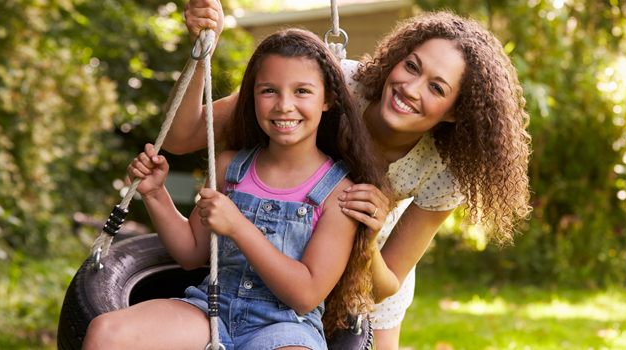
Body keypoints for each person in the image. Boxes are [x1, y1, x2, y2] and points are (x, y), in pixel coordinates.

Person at [170, 2, 532, 349]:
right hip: (274, 237)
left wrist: (368, 238)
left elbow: (385, 283)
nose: (410, 87)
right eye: (411, 66)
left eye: (437, 88)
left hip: (366, 256)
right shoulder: (334, 84)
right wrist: (202, 54)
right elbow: (179, 137)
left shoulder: (443, 170)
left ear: (455, 112)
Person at [83, 28, 388, 350]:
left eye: (302, 91)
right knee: (107, 332)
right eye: (269, 91)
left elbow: (305, 294)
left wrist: (238, 226)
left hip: (286, 325)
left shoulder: (340, 193)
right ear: (251, 97)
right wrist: (155, 192)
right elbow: (191, 253)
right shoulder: (230, 168)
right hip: (212, 308)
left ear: (328, 99)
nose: (284, 105)